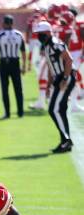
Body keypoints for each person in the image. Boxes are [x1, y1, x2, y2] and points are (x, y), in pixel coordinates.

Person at [35, 21, 76, 153]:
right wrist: (48, 85)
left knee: (54, 110)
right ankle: (65, 141)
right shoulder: (47, 46)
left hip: (65, 76)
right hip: (58, 77)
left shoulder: (55, 43)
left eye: (40, 33)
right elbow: (50, 67)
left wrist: (64, 78)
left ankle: (66, 140)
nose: (38, 35)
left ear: (47, 32)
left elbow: (69, 60)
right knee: (60, 110)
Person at [0, 15, 26, 119]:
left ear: (6, 23)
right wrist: (24, 65)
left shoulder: (0, 35)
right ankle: (20, 112)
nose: (2, 24)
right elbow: (23, 51)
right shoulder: (19, 34)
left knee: (5, 89)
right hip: (16, 62)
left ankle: (7, 113)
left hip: (4, 63)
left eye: (4, 22)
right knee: (18, 88)